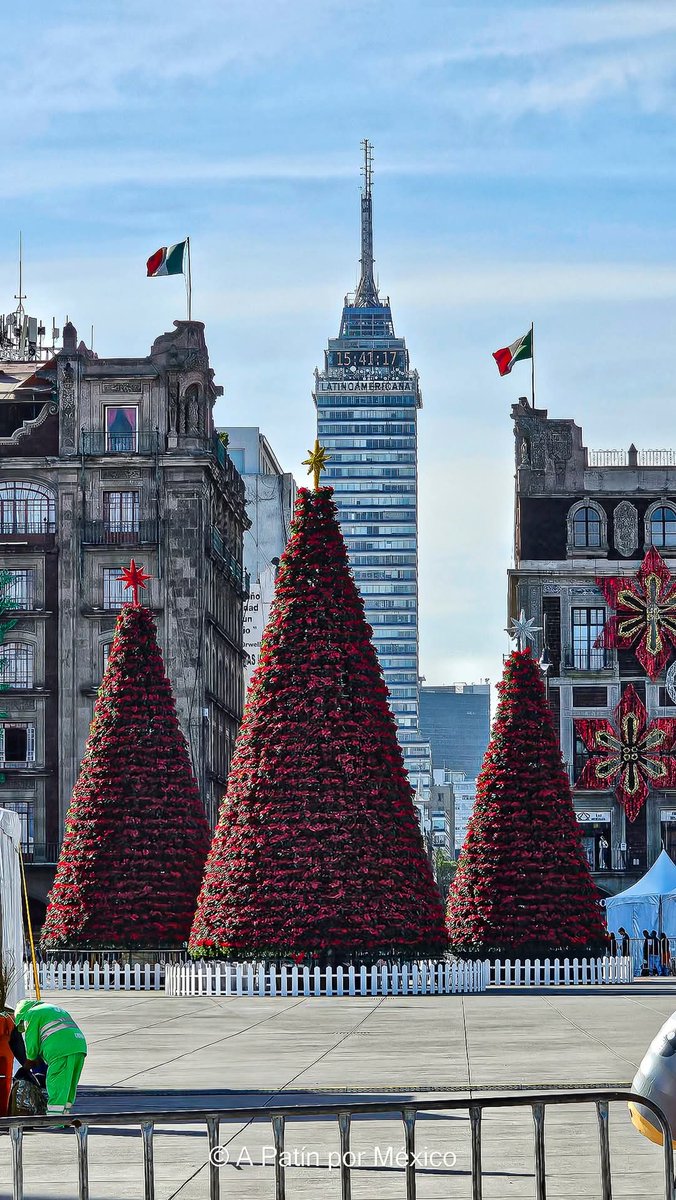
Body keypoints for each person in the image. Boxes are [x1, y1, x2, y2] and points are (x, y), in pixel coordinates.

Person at [14, 999, 87, 1116]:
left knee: (56, 1083)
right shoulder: (55, 1009)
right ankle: (65, 1116)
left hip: (60, 1050)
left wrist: (28, 1063)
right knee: (68, 1085)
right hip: (79, 1046)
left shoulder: (31, 1013)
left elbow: (31, 1043)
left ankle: (55, 1119)